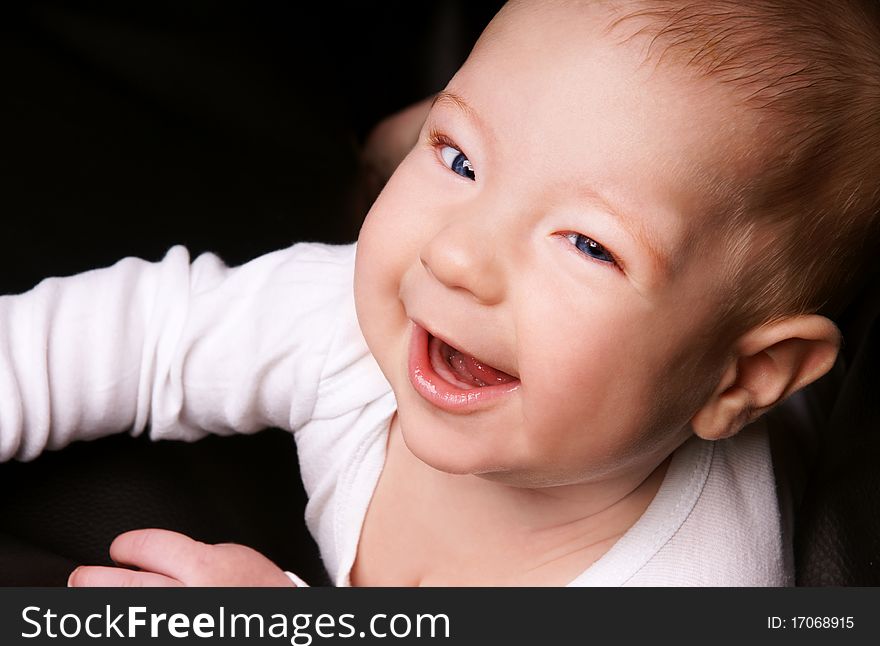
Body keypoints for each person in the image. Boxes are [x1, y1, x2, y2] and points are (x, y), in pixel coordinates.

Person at [1, 0, 878, 586]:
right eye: (458, 156)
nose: (458, 255)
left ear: (738, 380)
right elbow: (141, 334)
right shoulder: (376, 316)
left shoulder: (692, 587)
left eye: (586, 243)